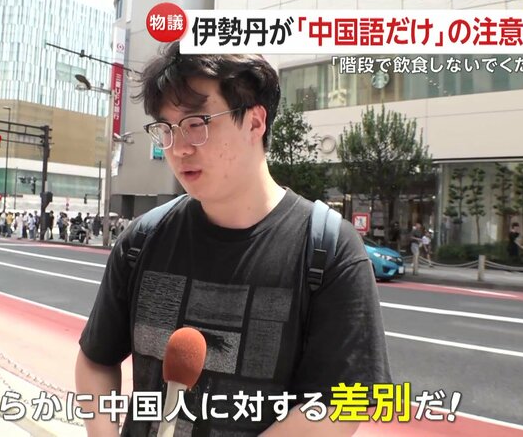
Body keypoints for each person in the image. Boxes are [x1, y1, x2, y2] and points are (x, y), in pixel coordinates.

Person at [76, 42, 391, 436]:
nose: (179, 147)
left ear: (255, 122)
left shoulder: (328, 249)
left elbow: (342, 404)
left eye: (196, 123)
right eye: (166, 129)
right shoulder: (143, 239)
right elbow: (96, 358)